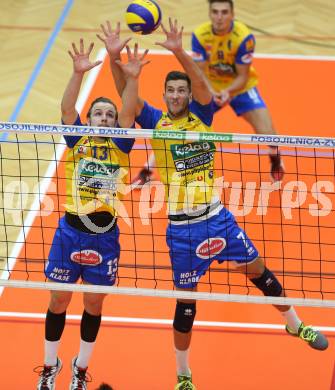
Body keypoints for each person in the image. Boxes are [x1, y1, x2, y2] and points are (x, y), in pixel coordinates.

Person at [101, 19, 328, 390]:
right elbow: (127, 93)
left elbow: (204, 86)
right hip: (182, 231)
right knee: (186, 306)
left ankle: (295, 324)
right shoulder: (156, 123)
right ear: (165, 94)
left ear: (188, 95)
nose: (175, 95)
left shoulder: (203, 115)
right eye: (170, 90)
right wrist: (115, 59)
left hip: (218, 218)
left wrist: (177, 49)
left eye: (181, 91)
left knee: (259, 271)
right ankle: (184, 375)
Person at [35, 38, 148, 390]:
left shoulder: (120, 143)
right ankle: (49, 367)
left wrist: (131, 78)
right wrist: (77, 73)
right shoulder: (78, 140)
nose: (104, 117)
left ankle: (80, 370)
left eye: (109, 114)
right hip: (69, 232)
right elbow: (67, 110)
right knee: (59, 300)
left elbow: (130, 111)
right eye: (98, 112)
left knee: (94, 305)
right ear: (90, 118)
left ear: (117, 122)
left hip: (105, 236)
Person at [133, 0, 284, 187]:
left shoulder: (244, 37)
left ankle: (275, 158)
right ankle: (147, 169)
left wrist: (228, 92)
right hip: (209, 87)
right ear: (210, 14)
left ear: (232, 14)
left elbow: (243, 76)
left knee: (268, 132)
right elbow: (199, 72)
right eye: (215, 12)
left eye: (224, 12)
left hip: (240, 87)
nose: (219, 17)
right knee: (178, 126)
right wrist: (212, 92)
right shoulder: (201, 35)